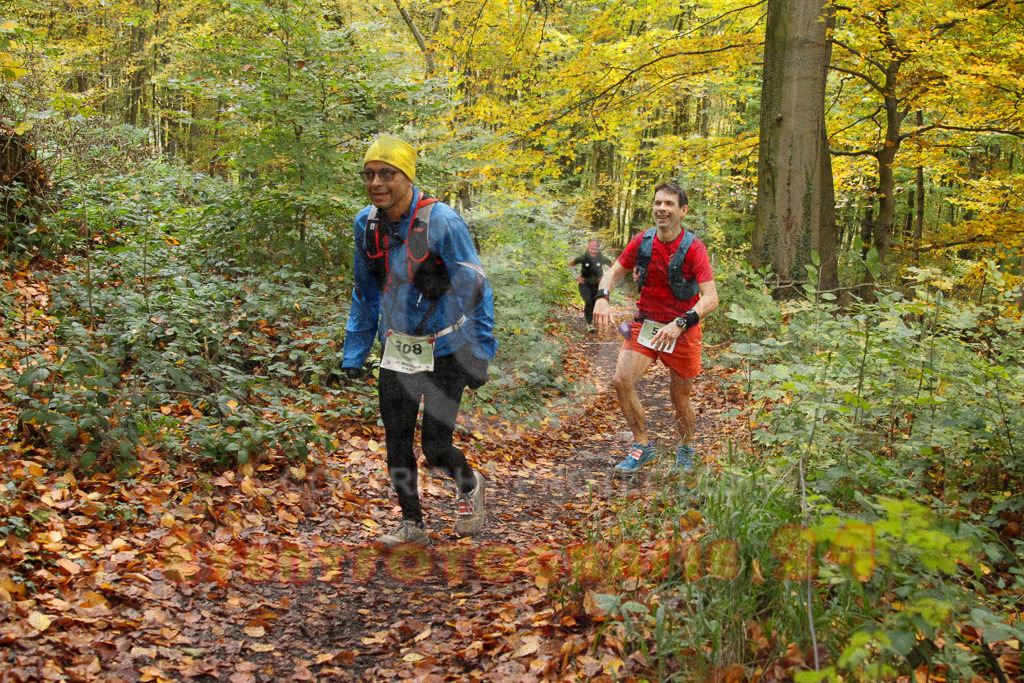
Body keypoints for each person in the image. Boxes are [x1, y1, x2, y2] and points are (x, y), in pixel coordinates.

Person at [342, 135, 497, 547]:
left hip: (447, 347)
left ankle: (469, 484)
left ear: (407, 177)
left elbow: (477, 287)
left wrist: (480, 352)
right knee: (396, 441)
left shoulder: (442, 221)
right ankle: (412, 524)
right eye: (369, 174)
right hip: (398, 346)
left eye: (387, 174)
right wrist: (354, 353)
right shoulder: (366, 224)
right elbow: (365, 292)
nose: (376, 183)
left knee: (435, 446)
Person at [592, 181, 719, 475]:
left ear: (683, 211)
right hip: (647, 324)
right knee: (621, 380)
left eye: (669, 204)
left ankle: (685, 448)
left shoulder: (694, 247)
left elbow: (711, 298)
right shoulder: (642, 241)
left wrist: (681, 322)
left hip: (683, 330)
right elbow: (613, 272)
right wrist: (602, 297)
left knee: (680, 399)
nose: (662, 208)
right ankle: (642, 446)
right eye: (658, 203)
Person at [568, 239, 613, 332]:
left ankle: (597, 321)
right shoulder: (583, 257)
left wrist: (606, 277)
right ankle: (590, 324)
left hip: (598, 285)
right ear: (588, 248)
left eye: (595, 249)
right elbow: (571, 263)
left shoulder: (601, 258)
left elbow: (613, 265)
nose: (593, 251)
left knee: (596, 302)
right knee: (588, 301)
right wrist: (576, 276)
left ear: (598, 249)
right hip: (585, 284)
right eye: (592, 249)